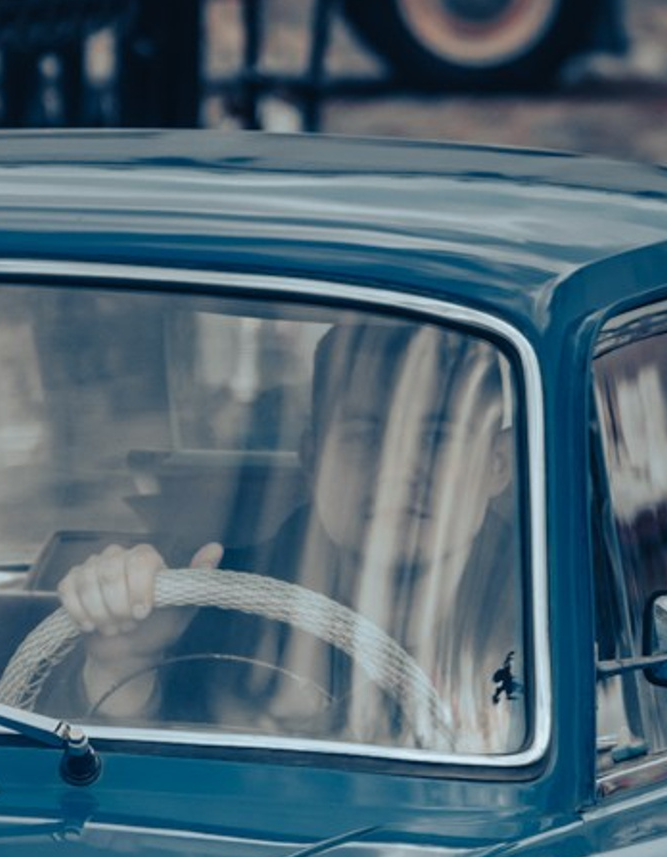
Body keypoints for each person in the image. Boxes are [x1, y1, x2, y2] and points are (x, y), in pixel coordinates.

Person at [26, 319, 523, 747]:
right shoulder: (213, 607)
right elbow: (121, 804)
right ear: (312, 459)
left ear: (497, 463)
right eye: (366, 435)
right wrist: (122, 662)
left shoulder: (552, 622)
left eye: (436, 438)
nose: (399, 471)